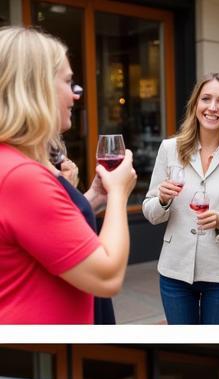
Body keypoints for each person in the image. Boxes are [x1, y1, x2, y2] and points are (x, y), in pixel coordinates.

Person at [0, 26, 135, 324]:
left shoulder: (15, 160)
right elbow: (108, 276)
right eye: (69, 81)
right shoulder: (21, 175)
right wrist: (118, 194)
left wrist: (94, 199)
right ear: (37, 88)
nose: (76, 95)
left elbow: (40, 233)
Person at [142, 73, 219, 324]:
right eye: (206, 99)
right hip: (175, 273)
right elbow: (150, 211)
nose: (213, 108)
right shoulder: (169, 149)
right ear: (195, 104)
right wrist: (161, 199)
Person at [52, 139, 116, 325]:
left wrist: (96, 195)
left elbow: (65, 218)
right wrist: (118, 194)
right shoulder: (27, 167)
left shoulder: (50, 152)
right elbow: (110, 274)